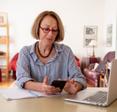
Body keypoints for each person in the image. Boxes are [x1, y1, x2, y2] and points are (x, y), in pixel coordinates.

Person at [16, 10, 87, 95]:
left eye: (54, 30)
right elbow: (22, 79)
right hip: (32, 103)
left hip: (60, 103)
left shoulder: (66, 52)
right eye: (46, 29)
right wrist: (41, 87)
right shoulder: (25, 52)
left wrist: (75, 86)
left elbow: (80, 79)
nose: (50, 34)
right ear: (37, 29)